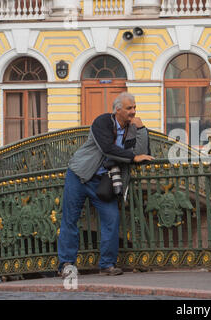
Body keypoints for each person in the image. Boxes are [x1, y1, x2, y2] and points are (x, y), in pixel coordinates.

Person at [58, 92, 154, 277]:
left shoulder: (131, 128)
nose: (133, 112)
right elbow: (107, 149)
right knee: (70, 220)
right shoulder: (102, 122)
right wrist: (132, 157)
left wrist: (141, 129)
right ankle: (66, 265)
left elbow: (143, 153)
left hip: (102, 182)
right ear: (118, 109)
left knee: (112, 219)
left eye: (134, 108)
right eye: (129, 108)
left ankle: (107, 265)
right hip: (79, 175)